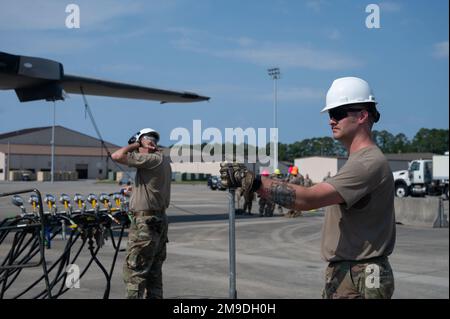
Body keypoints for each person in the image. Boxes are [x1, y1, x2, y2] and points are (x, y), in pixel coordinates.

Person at [220, 77, 396, 299]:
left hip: (361, 273)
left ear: (362, 115)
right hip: (352, 270)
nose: (331, 120)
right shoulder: (358, 160)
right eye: (330, 114)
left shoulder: (367, 162)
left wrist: (254, 182)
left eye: (339, 113)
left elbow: (309, 199)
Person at [111, 128, 171, 299]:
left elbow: (117, 156)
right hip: (157, 220)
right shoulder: (162, 160)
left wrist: (137, 143)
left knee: (135, 273)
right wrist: (134, 190)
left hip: (146, 224)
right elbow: (152, 190)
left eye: (138, 148)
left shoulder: (152, 158)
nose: (137, 151)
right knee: (153, 273)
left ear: (147, 143)